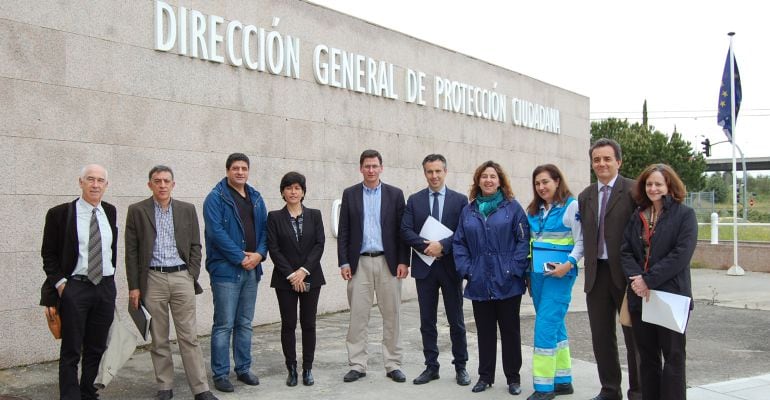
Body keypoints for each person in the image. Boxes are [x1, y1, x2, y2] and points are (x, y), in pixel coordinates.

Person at [124, 165, 217, 400]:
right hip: (152, 278)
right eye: (157, 181)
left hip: (181, 277)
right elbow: (131, 251)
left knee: (189, 336)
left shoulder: (187, 209)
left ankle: (200, 389)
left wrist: (191, 273)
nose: (162, 185)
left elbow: (196, 245)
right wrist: (134, 286)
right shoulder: (137, 210)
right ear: (150, 184)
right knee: (159, 337)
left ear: (173, 184)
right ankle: (164, 387)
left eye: (166, 181)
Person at [40, 164, 118, 400]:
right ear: (80, 182)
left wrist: (111, 281)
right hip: (76, 286)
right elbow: (49, 254)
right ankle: (70, 396)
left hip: (104, 287)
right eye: (90, 179)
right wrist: (62, 284)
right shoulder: (60, 213)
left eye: (100, 180)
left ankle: (88, 392)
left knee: (96, 346)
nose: (95, 185)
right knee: (72, 349)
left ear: (106, 185)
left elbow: (110, 250)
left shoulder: (110, 211)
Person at [453, 160, 530, 395]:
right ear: (478, 181)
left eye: (493, 176)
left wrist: (513, 269)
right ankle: (485, 376)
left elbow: (523, 241)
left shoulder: (512, 208)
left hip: (507, 281)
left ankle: (513, 378)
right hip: (479, 282)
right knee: (485, 332)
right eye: (484, 176)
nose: (488, 180)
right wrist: (468, 270)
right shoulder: (469, 211)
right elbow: (459, 243)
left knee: (510, 331)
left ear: (500, 181)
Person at [621, 164, 697, 400]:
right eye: (649, 184)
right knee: (647, 358)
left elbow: (681, 255)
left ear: (669, 187)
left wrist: (648, 280)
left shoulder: (685, 215)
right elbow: (625, 252)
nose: (653, 188)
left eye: (658, 184)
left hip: (670, 296)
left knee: (673, 358)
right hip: (640, 297)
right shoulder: (638, 215)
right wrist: (637, 279)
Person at [337, 149, 410, 383]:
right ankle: (357, 364)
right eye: (367, 166)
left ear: (381, 167)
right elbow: (344, 231)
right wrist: (344, 262)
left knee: (392, 315)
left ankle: (392, 363)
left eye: (374, 166)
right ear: (361, 168)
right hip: (359, 263)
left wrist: (403, 261)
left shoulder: (395, 195)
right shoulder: (350, 194)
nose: (371, 170)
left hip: (388, 262)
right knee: (358, 316)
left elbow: (402, 232)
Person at [578, 138, 642, 400]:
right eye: (597, 159)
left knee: (634, 338)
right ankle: (609, 389)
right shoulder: (586, 196)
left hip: (627, 275)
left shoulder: (634, 191)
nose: (601, 164)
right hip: (596, 276)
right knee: (602, 337)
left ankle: (638, 392)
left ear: (619, 161)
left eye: (607, 159)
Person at [401, 154, 471, 386]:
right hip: (425, 268)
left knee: (456, 320)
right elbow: (405, 230)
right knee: (427, 321)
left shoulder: (460, 200)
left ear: (445, 171)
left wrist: (443, 246)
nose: (434, 176)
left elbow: (463, 231)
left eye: (438, 171)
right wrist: (427, 247)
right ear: (425, 173)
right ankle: (431, 367)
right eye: (430, 172)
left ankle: (460, 366)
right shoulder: (414, 200)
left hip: (450, 267)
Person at [203, 153, 267, 393]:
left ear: (248, 171)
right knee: (224, 324)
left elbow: (264, 231)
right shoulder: (215, 198)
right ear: (228, 170)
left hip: (252, 268)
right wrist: (241, 257)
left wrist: (259, 255)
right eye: (235, 168)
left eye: (244, 168)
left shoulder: (256, 197)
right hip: (226, 270)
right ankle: (220, 373)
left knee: (245, 323)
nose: (240, 172)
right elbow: (216, 232)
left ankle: (243, 368)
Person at [525, 164, 583, 400]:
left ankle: (544, 387)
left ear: (557, 181)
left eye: (545, 182)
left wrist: (568, 264)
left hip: (560, 276)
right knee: (555, 326)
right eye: (537, 183)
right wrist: (528, 274)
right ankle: (563, 380)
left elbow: (582, 241)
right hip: (538, 276)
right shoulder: (534, 210)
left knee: (544, 327)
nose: (541, 187)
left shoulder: (572, 206)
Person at [267, 172, 326, 387]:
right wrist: (292, 275)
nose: (293, 192)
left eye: (297, 188)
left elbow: (319, 244)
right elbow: (273, 248)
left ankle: (307, 368)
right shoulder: (274, 217)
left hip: (311, 277)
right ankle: (291, 368)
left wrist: (304, 270)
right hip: (285, 280)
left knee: (309, 324)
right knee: (288, 324)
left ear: (303, 192)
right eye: (289, 188)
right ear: (283, 192)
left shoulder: (315, 215)